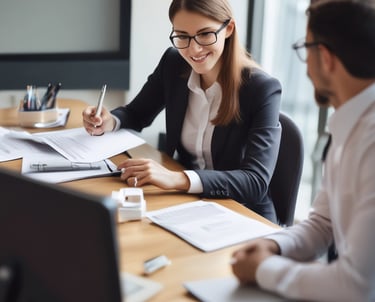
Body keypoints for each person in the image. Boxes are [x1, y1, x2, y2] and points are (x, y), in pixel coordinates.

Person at [82, 0, 282, 222]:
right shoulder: (173, 63)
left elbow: (255, 181)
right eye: (183, 36)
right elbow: (136, 114)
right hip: (188, 204)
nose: (193, 49)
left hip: (243, 213)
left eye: (205, 34)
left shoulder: (261, 89)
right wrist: (109, 121)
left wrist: (177, 179)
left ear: (228, 29)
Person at [231, 0, 375, 301]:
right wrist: (273, 245)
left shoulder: (370, 141)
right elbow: (323, 224)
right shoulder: (348, 124)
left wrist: (263, 269)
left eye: (305, 48)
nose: (305, 66)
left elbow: (358, 286)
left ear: (325, 57)